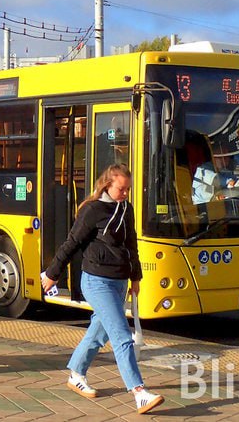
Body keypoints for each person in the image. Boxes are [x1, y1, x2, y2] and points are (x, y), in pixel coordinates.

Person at [41, 164, 164, 415]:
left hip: (119, 282)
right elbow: (72, 243)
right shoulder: (92, 210)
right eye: (122, 189)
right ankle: (139, 392)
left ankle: (76, 373)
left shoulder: (126, 209)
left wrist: (136, 278)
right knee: (121, 335)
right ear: (108, 185)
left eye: (128, 189)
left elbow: (132, 244)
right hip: (96, 281)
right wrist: (53, 274)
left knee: (99, 333)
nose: (126, 193)